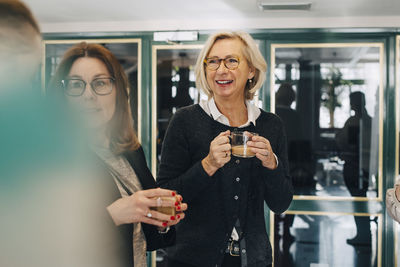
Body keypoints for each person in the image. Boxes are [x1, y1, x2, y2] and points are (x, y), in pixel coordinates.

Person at [157, 31, 293, 267]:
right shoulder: (185, 121)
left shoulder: (271, 125)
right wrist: (207, 165)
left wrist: (272, 164)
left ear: (251, 70)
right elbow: (166, 198)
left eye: (232, 60)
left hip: (252, 259)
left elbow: (281, 203)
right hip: (190, 260)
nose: (221, 70)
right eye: (213, 61)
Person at [49, 42, 188, 266]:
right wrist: (112, 215)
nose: (88, 95)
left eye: (100, 83)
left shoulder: (130, 151)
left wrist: (161, 220)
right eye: (76, 85)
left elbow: (147, 237)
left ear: (119, 93)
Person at [336, 91, 372, 246]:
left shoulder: (354, 122)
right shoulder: (370, 120)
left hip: (354, 166)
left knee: (358, 200)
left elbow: (347, 143)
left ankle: (363, 235)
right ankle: (365, 233)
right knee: (361, 198)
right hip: (366, 166)